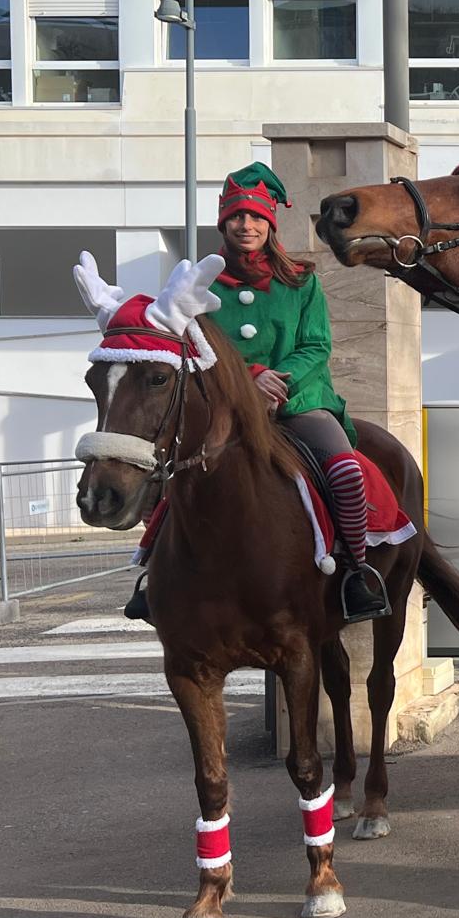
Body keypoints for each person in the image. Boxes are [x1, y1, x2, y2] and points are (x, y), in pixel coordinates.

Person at [126, 162, 391, 622]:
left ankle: (356, 570)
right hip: (222, 405)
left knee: (346, 470)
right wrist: (248, 377)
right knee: (167, 471)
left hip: (298, 403)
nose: (245, 226)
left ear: (270, 224)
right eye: (236, 217)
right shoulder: (198, 286)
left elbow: (316, 346)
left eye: (255, 218)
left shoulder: (303, 282)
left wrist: (278, 380)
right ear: (223, 222)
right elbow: (193, 344)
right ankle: (155, 568)